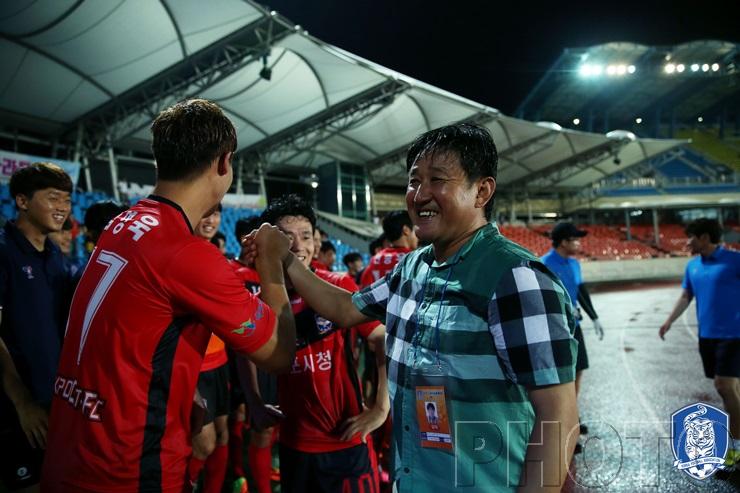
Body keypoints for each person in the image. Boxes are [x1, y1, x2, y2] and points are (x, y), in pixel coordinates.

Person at [246, 123, 579, 492]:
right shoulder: (413, 268)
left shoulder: (516, 278)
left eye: (437, 180)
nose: (420, 195)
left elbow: (557, 415)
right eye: (414, 181)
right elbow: (345, 308)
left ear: (482, 191)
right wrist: (286, 259)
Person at [41, 99, 297, 493]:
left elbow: (130, 327)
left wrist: (183, 389)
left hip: (71, 450)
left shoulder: (121, 223)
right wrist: (273, 264)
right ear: (224, 163)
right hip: (127, 471)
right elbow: (279, 353)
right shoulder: (187, 253)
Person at [244, 194, 388, 493]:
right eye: (286, 237)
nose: (298, 246)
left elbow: (382, 338)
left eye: (306, 236)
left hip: (345, 440)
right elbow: (243, 351)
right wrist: (254, 401)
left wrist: (380, 408)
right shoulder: (260, 300)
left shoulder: (337, 285)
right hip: (294, 442)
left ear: (316, 242)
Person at [0, 162, 73, 493]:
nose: (62, 207)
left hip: (55, 400)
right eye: (53, 197)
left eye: (67, 200)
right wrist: (22, 402)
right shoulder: (4, 251)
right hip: (16, 407)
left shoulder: (54, 255)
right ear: (22, 201)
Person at [659, 218, 740, 470]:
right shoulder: (692, 266)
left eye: (691, 237)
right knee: (733, 388)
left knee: (723, 386)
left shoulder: (735, 260)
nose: (688, 242)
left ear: (704, 237)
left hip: (734, 334)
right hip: (707, 336)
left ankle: (735, 449)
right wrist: (669, 321)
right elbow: (686, 295)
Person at [541, 222, 604, 453]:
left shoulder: (575, 264)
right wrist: (565, 310)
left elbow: (581, 292)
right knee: (561, 381)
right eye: (575, 239)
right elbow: (541, 298)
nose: (579, 243)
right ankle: (565, 430)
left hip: (574, 328)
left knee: (578, 372)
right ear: (563, 242)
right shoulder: (544, 264)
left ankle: (572, 416)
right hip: (555, 332)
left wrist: (594, 317)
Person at [185, 206, 233, 493]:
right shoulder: (181, 254)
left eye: (215, 214)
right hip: (194, 367)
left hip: (220, 363)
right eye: (205, 213)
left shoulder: (215, 256)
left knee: (223, 435)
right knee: (203, 444)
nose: (210, 220)